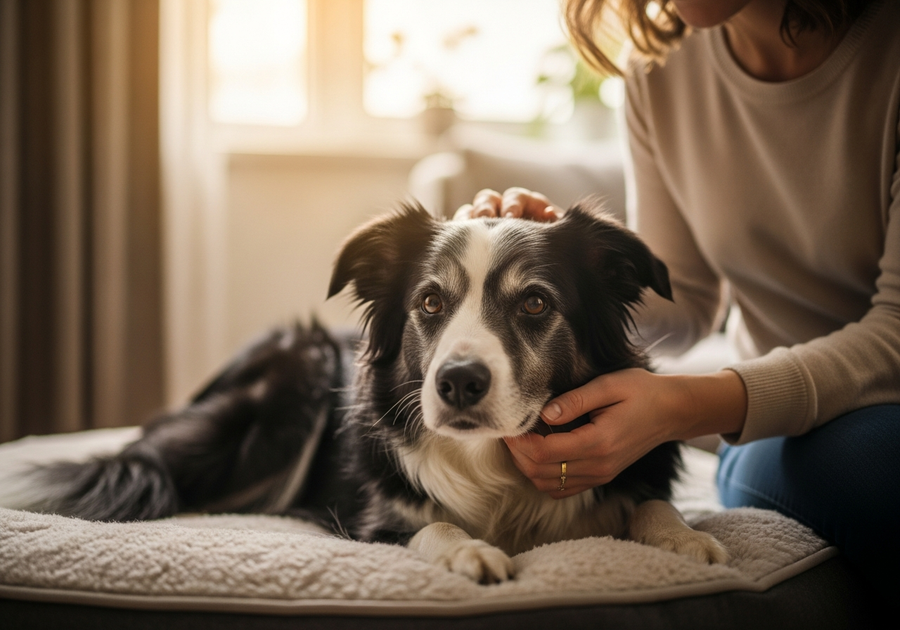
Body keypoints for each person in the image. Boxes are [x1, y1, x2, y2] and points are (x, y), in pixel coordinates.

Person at [456, 0, 900, 592]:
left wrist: (685, 406)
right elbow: (681, 298)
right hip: (779, 426)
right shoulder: (659, 68)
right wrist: (569, 272)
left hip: (775, 410)